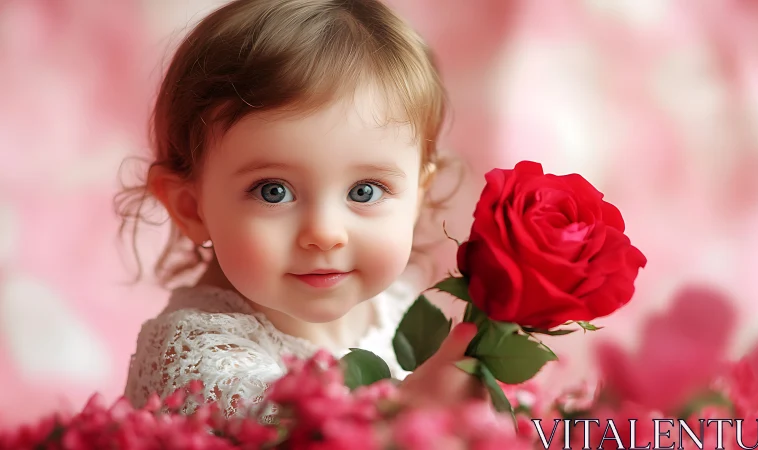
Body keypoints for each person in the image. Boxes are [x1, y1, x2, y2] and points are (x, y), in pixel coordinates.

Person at [118, 0, 484, 421]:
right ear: (191, 208)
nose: (325, 233)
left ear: (417, 197)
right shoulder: (198, 360)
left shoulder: (398, 308)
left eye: (364, 191)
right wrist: (413, 410)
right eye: (274, 191)